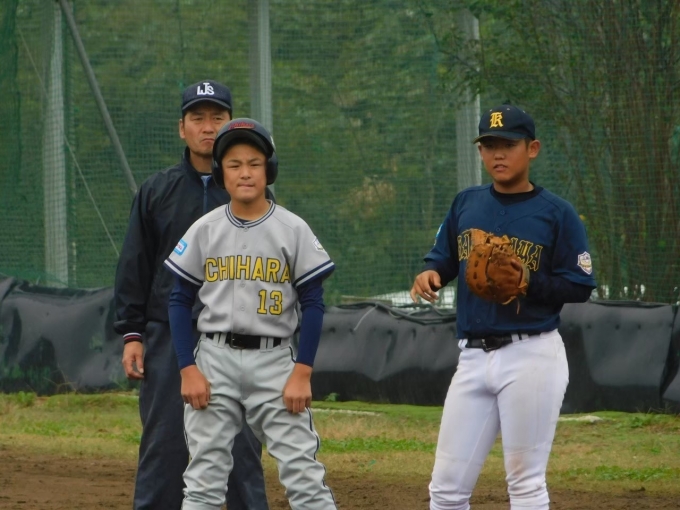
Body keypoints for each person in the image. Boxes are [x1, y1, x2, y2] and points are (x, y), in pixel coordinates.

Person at [410, 104, 597, 510]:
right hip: (472, 357)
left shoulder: (557, 213)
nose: (498, 154)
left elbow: (580, 286)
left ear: (532, 149)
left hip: (531, 354)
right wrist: (430, 273)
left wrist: (529, 282)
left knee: (525, 485)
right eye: (489, 145)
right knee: (445, 488)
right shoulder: (466, 203)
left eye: (508, 145)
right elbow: (443, 257)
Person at [165, 118, 338, 510]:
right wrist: (187, 368)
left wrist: (303, 372)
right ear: (220, 173)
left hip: (275, 361)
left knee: (304, 476)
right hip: (214, 359)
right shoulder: (205, 229)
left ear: (268, 170)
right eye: (234, 164)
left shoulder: (292, 228)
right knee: (204, 480)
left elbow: (313, 303)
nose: (245, 172)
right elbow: (178, 299)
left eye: (255, 163)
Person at [114, 80, 270, 510]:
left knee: (241, 448)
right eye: (197, 118)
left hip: (238, 336)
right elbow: (135, 266)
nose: (207, 127)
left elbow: (272, 270)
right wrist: (132, 334)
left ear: (231, 126)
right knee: (166, 445)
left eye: (217, 117)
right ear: (182, 128)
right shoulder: (156, 191)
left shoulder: (251, 190)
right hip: (168, 335)